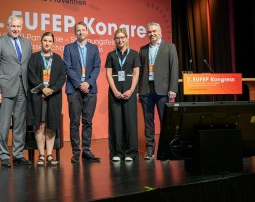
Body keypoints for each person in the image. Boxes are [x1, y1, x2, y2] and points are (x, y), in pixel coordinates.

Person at [0, 15, 32, 167]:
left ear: (21, 27)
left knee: (20, 124)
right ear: (8, 26)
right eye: (13, 26)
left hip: (23, 88)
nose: (15, 29)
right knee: (4, 124)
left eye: (18, 26)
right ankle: (4, 155)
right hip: (6, 89)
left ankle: (18, 154)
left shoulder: (27, 43)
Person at [137, 22, 179, 160]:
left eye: (154, 31)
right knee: (148, 121)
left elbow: (174, 68)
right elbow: (140, 71)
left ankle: (165, 150)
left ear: (160, 32)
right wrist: (138, 90)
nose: (152, 34)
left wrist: (173, 88)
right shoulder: (143, 50)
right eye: (149, 32)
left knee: (165, 121)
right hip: (146, 89)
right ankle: (150, 149)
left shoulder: (169, 47)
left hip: (163, 90)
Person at [63, 21, 101, 163]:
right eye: (78, 30)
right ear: (75, 32)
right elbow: (67, 68)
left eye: (83, 30)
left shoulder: (94, 48)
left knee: (87, 122)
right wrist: (80, 84)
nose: (80, 32)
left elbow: (97, 67)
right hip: (74, 90)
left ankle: (86, 150)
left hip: (90, 90)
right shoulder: (68, 48)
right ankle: (75, 152)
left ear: (86, 31)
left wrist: (88, 83)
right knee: (74, 122)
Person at [27, 32, 66, 166]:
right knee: (40, 125)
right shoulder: (34, 57)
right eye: (45, 40)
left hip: (53, 97)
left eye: (50, 41)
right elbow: (31, 75)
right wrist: (42, 88)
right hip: (38, 96)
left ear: (53, 43)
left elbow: (62, 77)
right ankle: (41, 155)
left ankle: (49, 154)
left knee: (51, 125)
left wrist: (52, 89)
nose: (47, 43)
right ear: (41, 41)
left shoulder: (58, 59)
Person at [105, 28, 140, 162]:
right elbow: (108, 74)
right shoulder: (111, 55)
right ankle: (117, 152)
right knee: (116, 121)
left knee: (130, 121)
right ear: (115, 40)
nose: (120, 40)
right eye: (117, 38)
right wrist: (114, 91)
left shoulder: (134, 54)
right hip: (115, 90)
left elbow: (136, 73)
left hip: (129, 89)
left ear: (126, 38)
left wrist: (131, 90)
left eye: (122, 37)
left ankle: (130, 152)